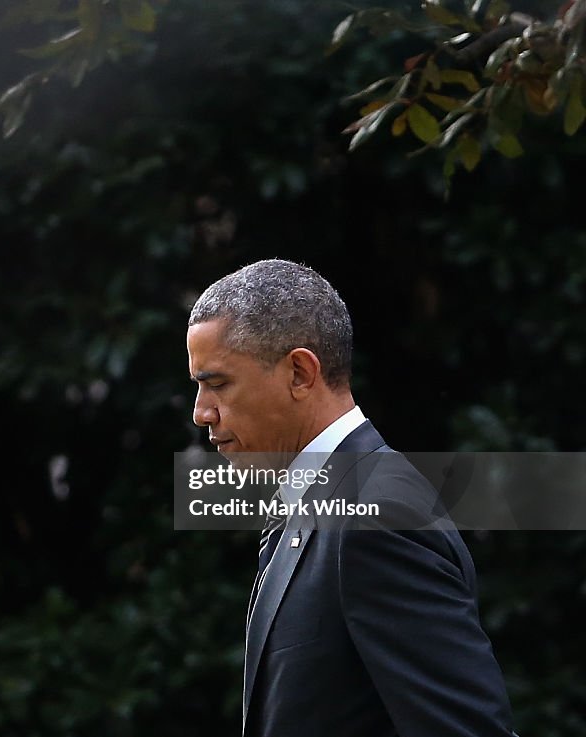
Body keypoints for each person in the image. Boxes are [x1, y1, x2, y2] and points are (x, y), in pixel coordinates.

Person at [186, 259, 517, 737]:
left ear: (300, 372)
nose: (201, 413)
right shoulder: (314, 504)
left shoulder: (377, 514)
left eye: (217, 383)